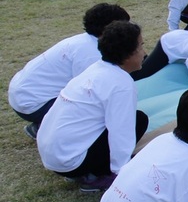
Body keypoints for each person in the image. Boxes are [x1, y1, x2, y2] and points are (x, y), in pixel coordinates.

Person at [36, 21, 149, 192]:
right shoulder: (121, 84)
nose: (144, 53)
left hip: (53, 155)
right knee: (138, 120)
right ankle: (97, 174)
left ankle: (87, 167)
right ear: (127, 55)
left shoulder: (94, 69)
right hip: (71, 161)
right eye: (141, 47)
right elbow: (121, 131)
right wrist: (123, 174)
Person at [9, 3, 130, 139]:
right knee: (97, 110)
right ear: (108, 30)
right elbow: (91, 92)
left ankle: (44, 124)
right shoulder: (92, 53)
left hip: (24, 96)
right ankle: (46, 128)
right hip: (35, 104)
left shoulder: (83, 40)